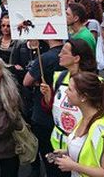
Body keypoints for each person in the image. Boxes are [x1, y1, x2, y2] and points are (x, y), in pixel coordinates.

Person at [39, 39, 97, 155]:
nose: (59, 55)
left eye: (64, 52)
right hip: (57, 144)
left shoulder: (94, 83)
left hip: (82, 147)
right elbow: (52, 109)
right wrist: (48, 97)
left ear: (76, 58)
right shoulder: (59, 77)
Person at [23, 39, 66, 177]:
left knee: (50, 158)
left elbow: (26, 81)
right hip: (65, 116)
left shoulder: (45, 58)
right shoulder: (65, 56)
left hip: (44, 118)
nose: (60, 57)